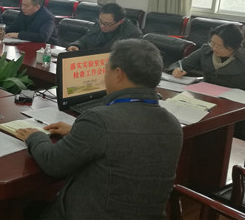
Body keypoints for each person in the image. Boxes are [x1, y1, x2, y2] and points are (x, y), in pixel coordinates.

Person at [16, 39, 183, 220]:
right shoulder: (173, 124)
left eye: (106, 70)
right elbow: (130, 140)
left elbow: (53, 163)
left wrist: (36, 137)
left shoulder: (99, 120)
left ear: (118, 74)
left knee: (28, 209)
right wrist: (77, 131)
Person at [169, 23, 245, 96]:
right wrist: (176, 69)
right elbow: (181, 64)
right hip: (203, 96)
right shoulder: (206, 50)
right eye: (212, 43)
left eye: (220, 46)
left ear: (234, 46)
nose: (214, 48)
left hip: (232, 105)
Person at [66, 3, 142, 51]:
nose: (102, 26)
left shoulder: (133, 35)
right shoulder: (100, 23)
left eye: (107, 24)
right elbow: (86, 39)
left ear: (120, 22)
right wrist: (77, 45)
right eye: (100, 21)